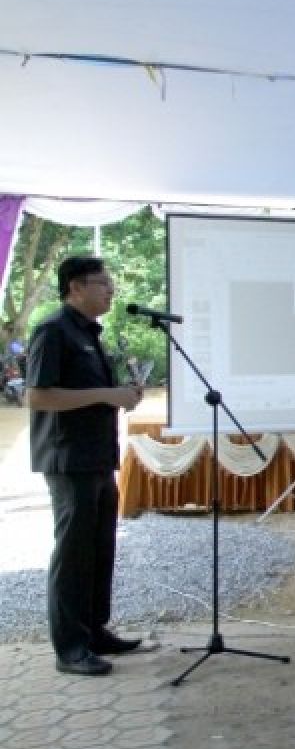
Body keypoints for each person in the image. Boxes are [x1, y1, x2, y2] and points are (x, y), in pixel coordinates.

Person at [26, 256, 145, 676]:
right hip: (68, 457)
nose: (110, 290)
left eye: (110, 283)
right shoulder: (52, 331)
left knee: (99, 548)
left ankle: (95, 631)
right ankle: (70, 648)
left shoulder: (92, 334)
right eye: (102, 284)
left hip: (98, 457)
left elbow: (97, 393)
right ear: (75, 288)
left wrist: (123, 394)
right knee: (73, 552)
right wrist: (105, 395)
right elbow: (38, 397)